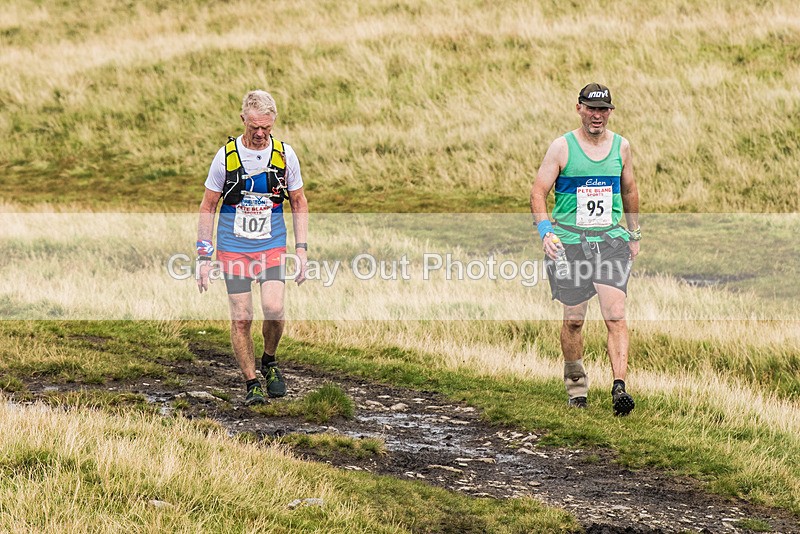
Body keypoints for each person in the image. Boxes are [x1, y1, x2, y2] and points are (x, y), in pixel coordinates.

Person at [530, 83, 640, 415]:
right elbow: (538, 193)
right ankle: (576, 385)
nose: (597, 116)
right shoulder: (561, 148)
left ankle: (619, 387)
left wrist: (634, 234)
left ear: (610, 112)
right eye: (592, 109)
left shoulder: (621, 147)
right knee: (575, 319)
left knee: (615, 314)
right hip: (570, 244)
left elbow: (630, 190)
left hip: (609, 242)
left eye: (604, 109)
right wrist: (546, 233)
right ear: (579, 108)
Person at [196, 89, 308, 406]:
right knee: (242, 318)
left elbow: (299, 202)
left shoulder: (285, 156)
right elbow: (208, 207)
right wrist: (203, 256)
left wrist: (301, 250)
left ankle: (269, 361)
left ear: (273, 123)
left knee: (273, 309)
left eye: (266, 128)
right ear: (243, 119)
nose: (260, 134)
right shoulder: (226, 157)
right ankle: (251, 383)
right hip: (233, 247)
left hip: (271, 244)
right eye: (254, 127)